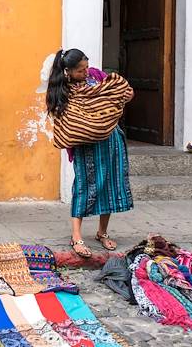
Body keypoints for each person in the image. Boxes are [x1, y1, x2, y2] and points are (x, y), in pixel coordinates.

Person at [46, 49, 134, 258]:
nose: (86, 73)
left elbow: (118, 93)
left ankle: (102, 232)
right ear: (67, 71)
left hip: (111, 140)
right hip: (86, 146)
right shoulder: (62, 90)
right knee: (84, 186)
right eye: (80, 70)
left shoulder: (96, 76)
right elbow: (66, 120)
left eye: (86, 67)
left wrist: (127, 94)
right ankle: (76, 236)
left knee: (110, 184)